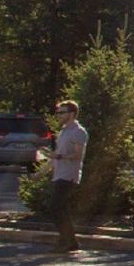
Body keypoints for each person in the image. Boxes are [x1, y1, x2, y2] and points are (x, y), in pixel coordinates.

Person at [47, 100, 87, 252]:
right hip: (59, 174)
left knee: (55, 208)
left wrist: (58, 156)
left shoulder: (79, 132)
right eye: (58, 113)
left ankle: (68, 240)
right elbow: (55, 157)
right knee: (60, 209)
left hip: (69, 175)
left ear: (71, 114)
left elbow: (78, 155)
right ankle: (69, 241)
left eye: (61, 113)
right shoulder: (63, 131)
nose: (58, 115)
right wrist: (39, 174)